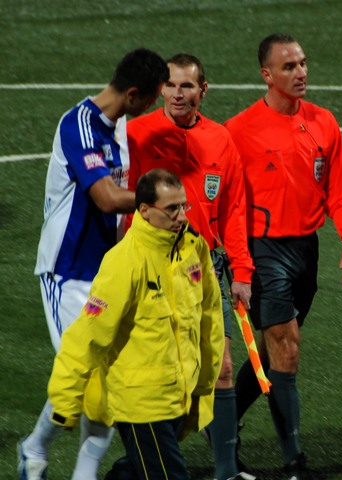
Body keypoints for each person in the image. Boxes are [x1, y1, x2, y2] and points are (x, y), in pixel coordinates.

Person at [19, 48, 169, 480]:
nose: (152, 107)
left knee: (108, 382)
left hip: (106, 273)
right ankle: (35, 449)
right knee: (87, 375)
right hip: (66, 272)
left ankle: (45, 455)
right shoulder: (78, 126)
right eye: (152, 99)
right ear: (134, 95)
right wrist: (162, 202)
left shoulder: (119, 126)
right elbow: (106, 198)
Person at [224, 33, 342, 480]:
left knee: (272, 353)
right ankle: (294, 463)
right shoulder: (239, 131)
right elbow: (228, 204)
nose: (301, 72)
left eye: (303, 63)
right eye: (289, 66)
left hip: (307, 250)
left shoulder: (324, 122)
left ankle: (221, 425)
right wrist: (238, 262)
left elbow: (339, 191)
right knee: (286, 347)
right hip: (262, 249)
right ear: (266, 74)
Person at [47, 168, 225, 480]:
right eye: (171, 209)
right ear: (144, 210)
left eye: (184, 206)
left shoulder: (192, 247)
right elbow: (89, 334)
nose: (182, 216)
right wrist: (65, 399)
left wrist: (205, 382)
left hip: (179, 397)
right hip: (142, 404)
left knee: (135, 471)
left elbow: (209, 317)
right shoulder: (124, 261)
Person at [126, 52, 255, 480]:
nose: (178, 94)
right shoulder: (137, 135)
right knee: (160, 374)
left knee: (221, 367)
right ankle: (135, 464)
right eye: (171, 85)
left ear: (203, 89)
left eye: (187, 86)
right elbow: (123, 205)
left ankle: (226, 471)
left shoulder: (220, 139)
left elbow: (234, 209)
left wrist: (241, 272)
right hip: (153, 266)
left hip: (206, 267)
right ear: (160, 88)